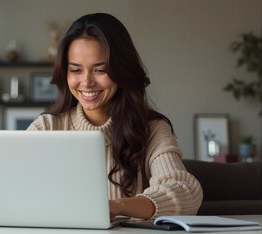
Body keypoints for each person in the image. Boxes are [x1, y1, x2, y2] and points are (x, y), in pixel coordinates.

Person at [27, 13, 203, 219]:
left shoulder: (152, 129)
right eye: (75, 70)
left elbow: (185, 191)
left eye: (100, 70)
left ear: (121, 70)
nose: (86, 82)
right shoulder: (46, 128)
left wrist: (116, 206)